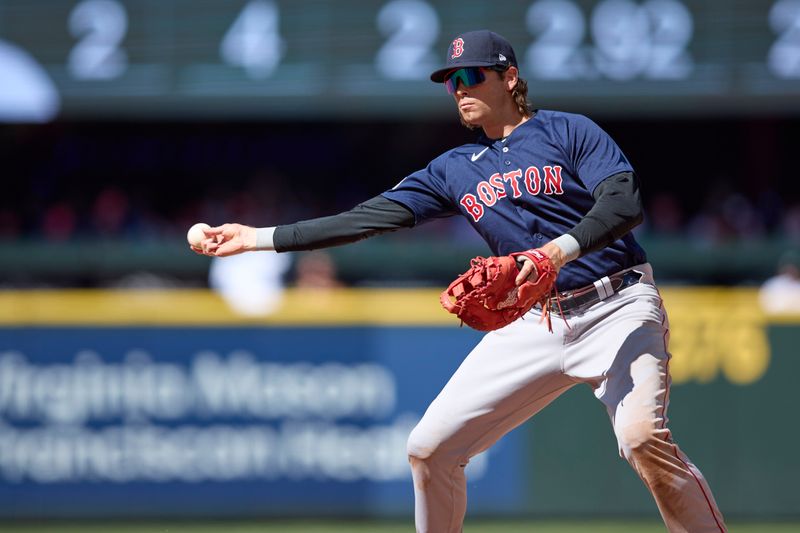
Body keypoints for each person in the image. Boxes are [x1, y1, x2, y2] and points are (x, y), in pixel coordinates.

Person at [196, 30, 726, 533]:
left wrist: (553, 252)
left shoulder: (569, 130)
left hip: (619, 306)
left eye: (471, 75)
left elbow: (624, 203)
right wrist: (257, 237)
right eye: (451, 81)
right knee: (430, 449)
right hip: (535, 320)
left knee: (640, 439)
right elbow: (364, 219)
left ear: (510, 77)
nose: (460, 90)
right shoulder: (453, 169)